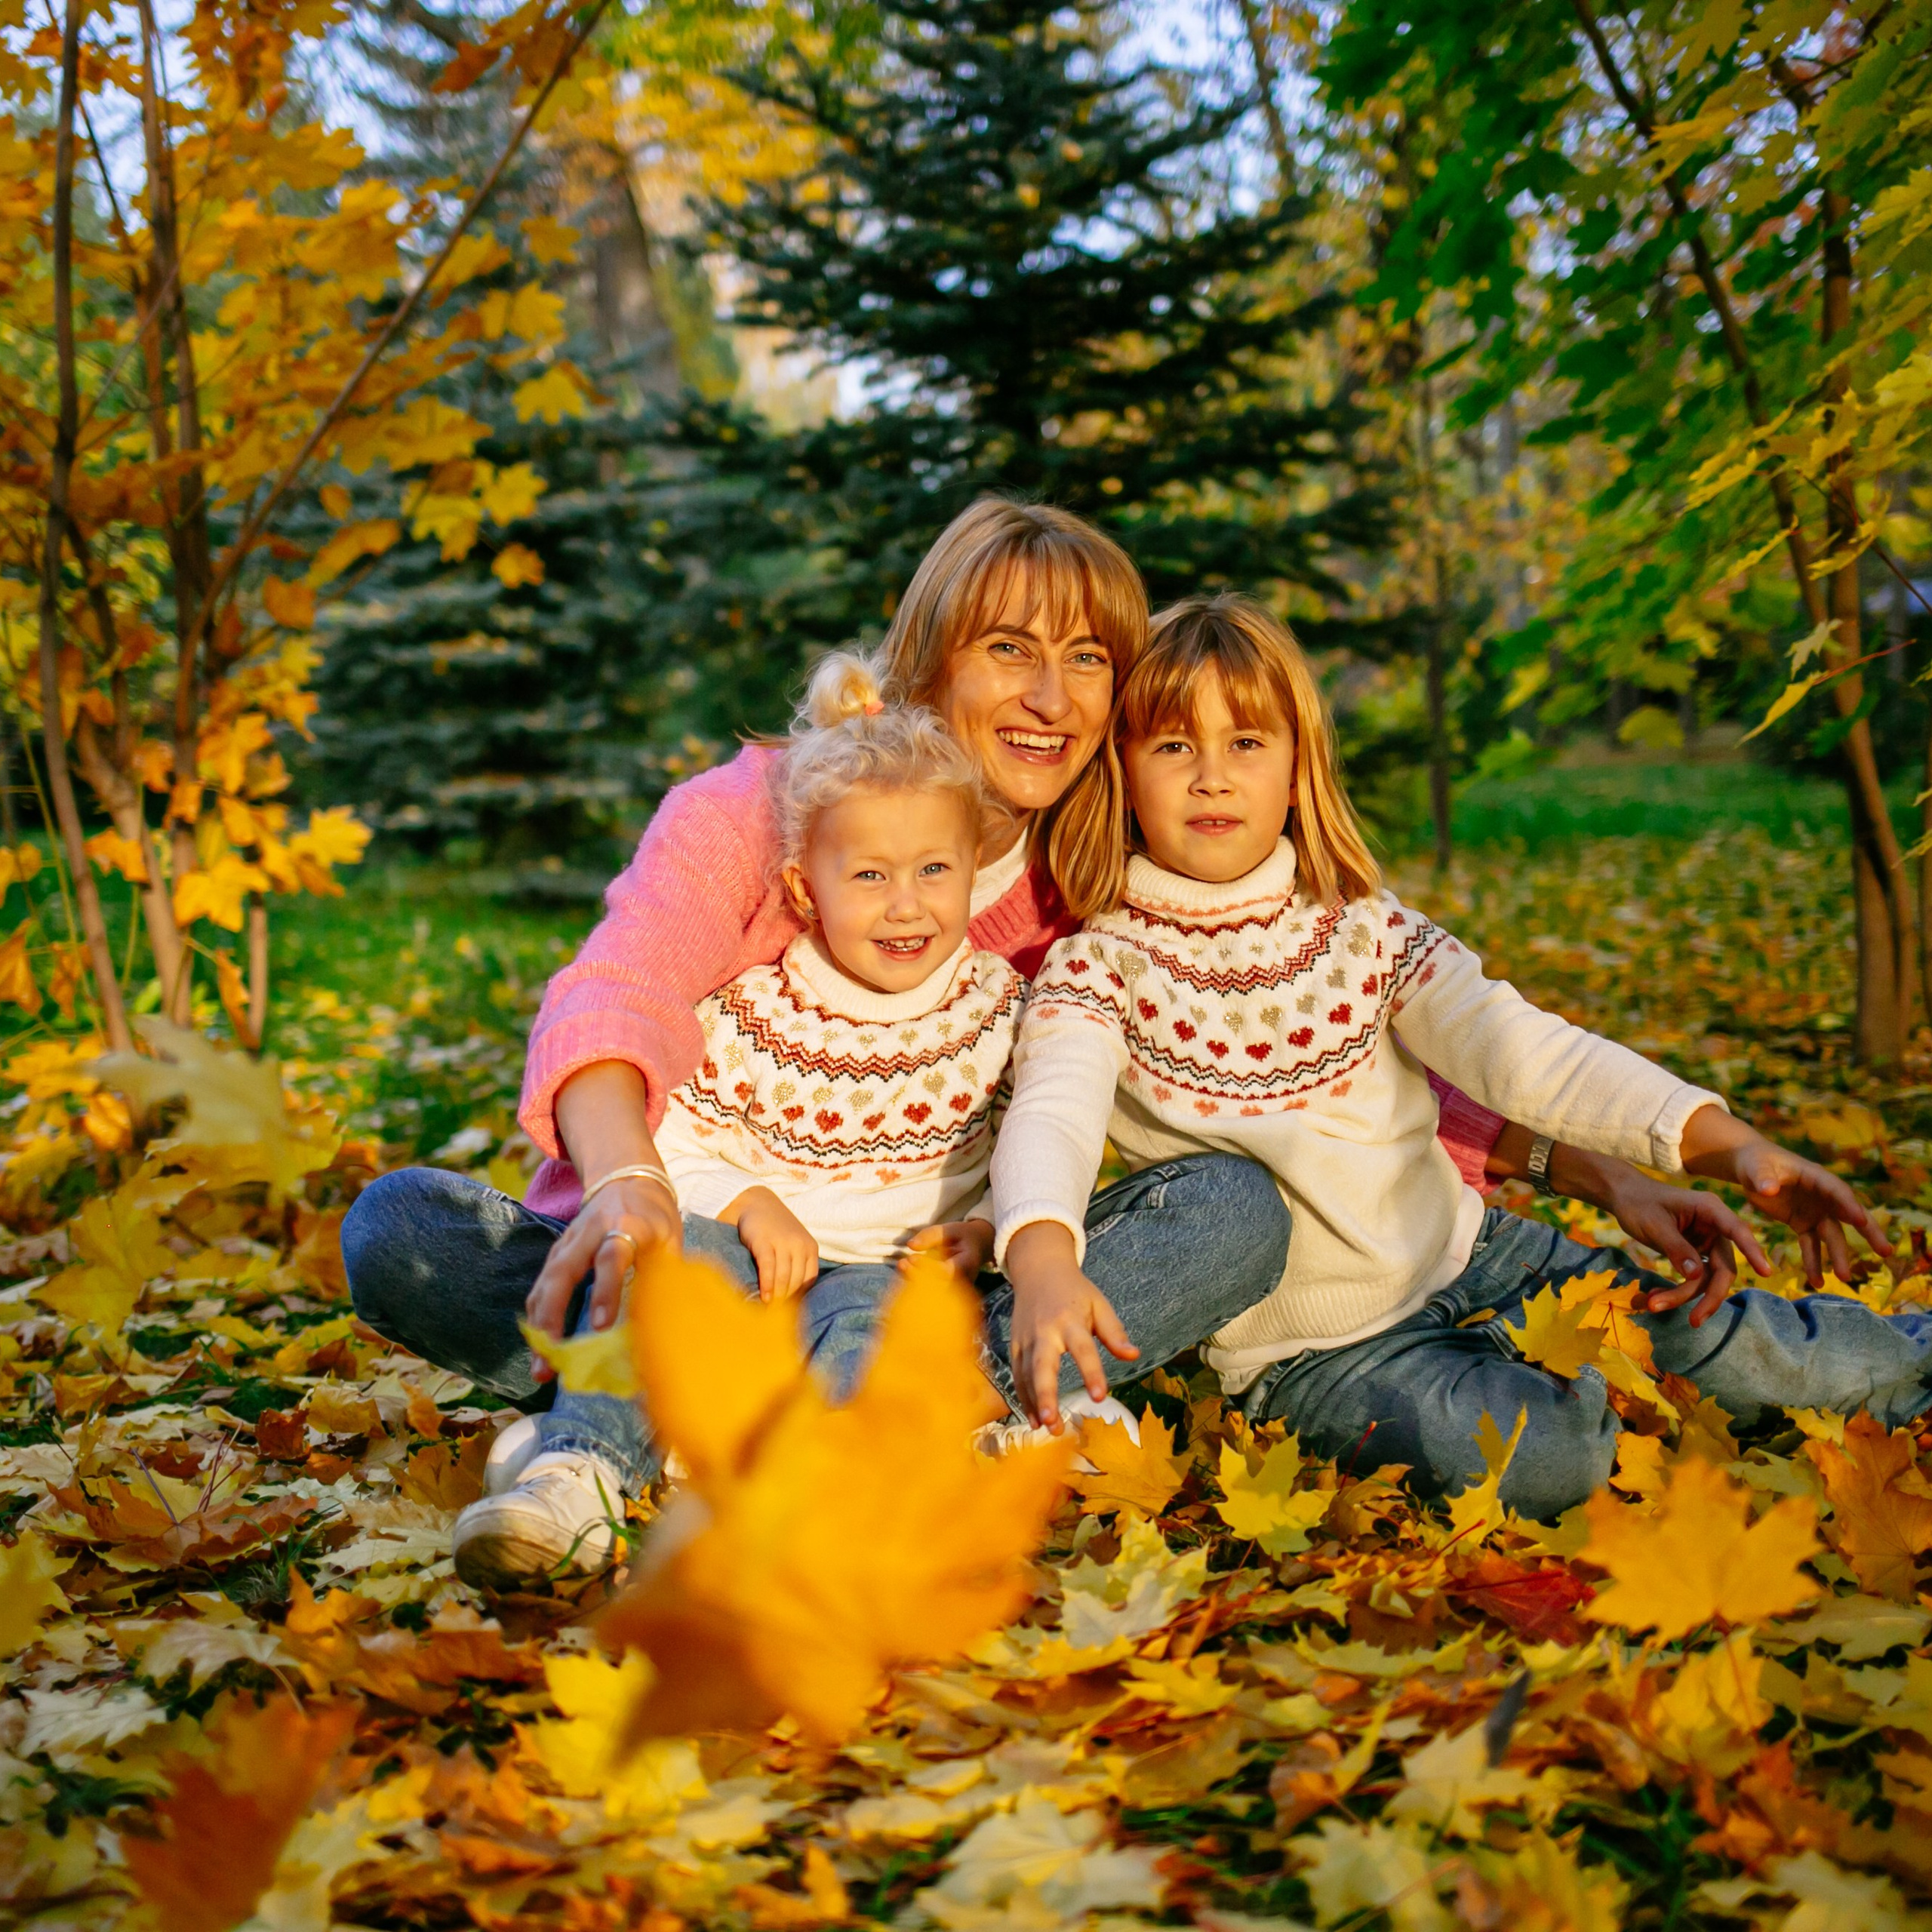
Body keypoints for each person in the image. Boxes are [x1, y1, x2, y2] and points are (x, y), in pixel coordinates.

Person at [342, 500, 1763, 1586]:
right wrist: (632, 1186)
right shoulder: (768, 811)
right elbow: (622, 994)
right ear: (928, 661)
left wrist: (1584, 1162)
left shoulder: (1091, 887)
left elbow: (1298, 1062)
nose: (1049, 694)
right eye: (1008, 650)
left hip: (913, 1290)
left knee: (1231, 1206)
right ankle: (707, 1410)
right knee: (405, 1230)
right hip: (700, 1245)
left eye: (1088, 658)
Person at [988, 593, 1917, 1521]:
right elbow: (1053, 1115)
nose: (1211, 778)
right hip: (1320, 1354)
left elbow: (1520, 1050)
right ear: (1123, 770)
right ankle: (1565, 1401)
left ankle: (1896, 1359)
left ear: (1296, 764)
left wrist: (1727, 1144)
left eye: (1246, 743)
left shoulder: (1362, 925)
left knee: (1747, 1345)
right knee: (1550, 1460)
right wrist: (1039, 1257)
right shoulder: (1097, 963)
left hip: (1481, 1253)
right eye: (1173, 746)